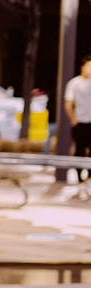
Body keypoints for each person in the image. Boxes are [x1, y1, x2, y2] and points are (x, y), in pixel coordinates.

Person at [64, 55, 91, 195]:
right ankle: (81, 180)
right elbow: (68, 103)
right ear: (83, 67)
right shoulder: (74, 83)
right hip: (80, 122)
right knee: (79, 151)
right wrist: (73, 119)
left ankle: (89, 179)